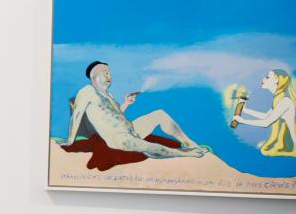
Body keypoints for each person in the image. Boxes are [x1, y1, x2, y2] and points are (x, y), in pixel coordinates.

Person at [59, 61, 205, 158]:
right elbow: (76, 115)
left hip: (131, 129)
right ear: (95, 76)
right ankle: (185, 154)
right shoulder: (87, 91)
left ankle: (189, 143)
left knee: (159, 114)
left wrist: (126, 103)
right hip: (119, 139)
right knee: (150, 147)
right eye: (106, 73)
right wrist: (70, 142)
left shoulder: (108, 94)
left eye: (109, 72)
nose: (110, 76)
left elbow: (117, 116)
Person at [232, 68, 296, 156]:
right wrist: (245, 109)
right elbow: (265, 116)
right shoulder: (279, 99)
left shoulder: (285, 101)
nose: (263, 79)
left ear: (277, 80)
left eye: (267, 77)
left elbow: (266, 122)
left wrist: (241, 120)